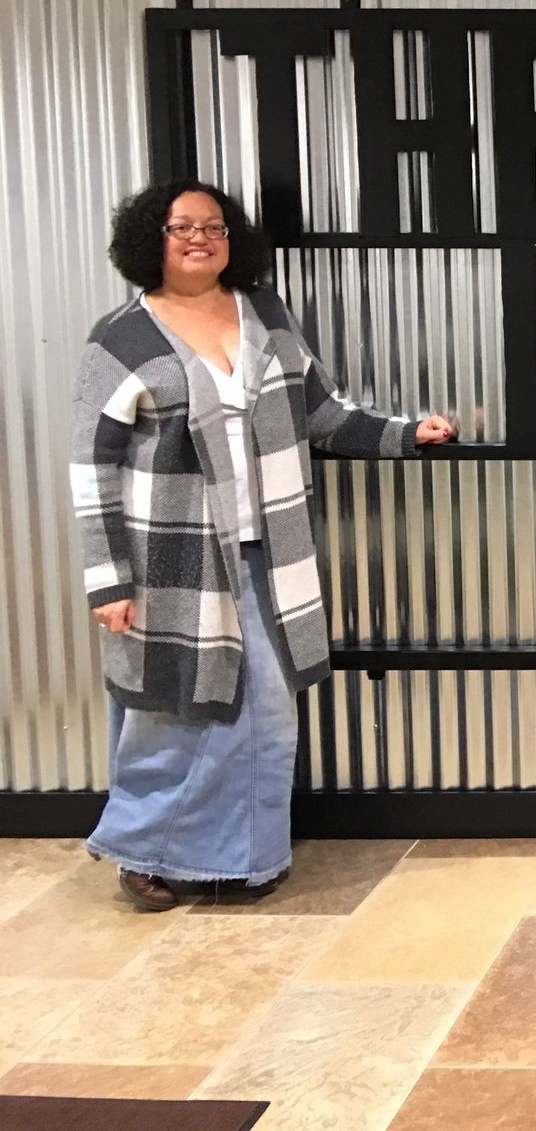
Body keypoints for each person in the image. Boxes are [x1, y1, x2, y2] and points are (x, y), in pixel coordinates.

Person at [70, 180, 455, 910]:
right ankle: (140, 853)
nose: (198, 238)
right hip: (170, 567)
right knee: (176, 711)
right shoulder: (119, 338)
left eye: (213, 227)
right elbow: (93, 466)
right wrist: (108, 579)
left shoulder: (264, 316)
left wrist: (405, 434)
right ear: (150, 238)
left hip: (267, 556)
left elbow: (320, 413)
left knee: (265, 715)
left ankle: (239, 860)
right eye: (180, 226)